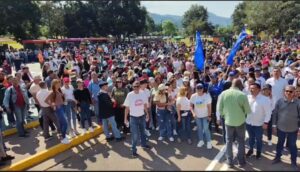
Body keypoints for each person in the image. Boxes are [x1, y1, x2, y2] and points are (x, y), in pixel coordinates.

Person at [217, 79, 251, 168]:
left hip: (228, 121)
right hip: (240, 121)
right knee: (241, 141)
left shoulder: (223, 93)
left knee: (228, 141)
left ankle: (230, 161)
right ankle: (241, 161)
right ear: (240, 85)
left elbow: (220, 109)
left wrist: (225, 116)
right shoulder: (242, 95)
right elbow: (247, 110)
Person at [272, 85, 300, 170]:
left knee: (292, 145)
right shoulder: (279, 101)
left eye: (290, 91)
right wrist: (274, 125)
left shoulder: (298, 103)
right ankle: (277, 158)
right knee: (280, 144)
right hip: (281, 128)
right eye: (287, 91)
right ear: (284, 91)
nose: (288, 93)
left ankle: (294, 162)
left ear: (294, 92)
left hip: (293, 129)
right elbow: (275, 114)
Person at [124, 81, 151, 157]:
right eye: (134, 87)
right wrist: (125, 119)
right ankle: (133, 151)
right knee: (135, 135)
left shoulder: (143, 93)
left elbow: (145, 104)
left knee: (143, 132)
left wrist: (147, 114)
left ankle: (144, 144)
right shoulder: (130, 95)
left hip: (142, 116)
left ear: (139, 87)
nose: (136, 88)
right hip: (133, 118)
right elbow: (126, 107)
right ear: (132, 87)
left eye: (137, 86)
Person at [245, 82, 272, 159]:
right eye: (250, 88)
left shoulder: (265, 99)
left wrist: (266, 122)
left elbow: (268, 113)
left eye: (253, 88)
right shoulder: (248, 97)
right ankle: (250, 150)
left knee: (259, 139)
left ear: (259, 90)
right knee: (250, 138)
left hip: (259, 124)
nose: (251, 90)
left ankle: (258, 152)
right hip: (249, 123)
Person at [45, 79, 69, 144]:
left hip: (62, 107)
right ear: (54, 84)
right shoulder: (52, 92)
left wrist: (62, 96)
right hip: (58, 109)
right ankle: (63, 137)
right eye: (58, 83)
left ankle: (62, 136)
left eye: (59, 83)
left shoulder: (58, 90)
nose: (59, 84)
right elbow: (46, 100)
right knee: (65, 123)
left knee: (61, 123)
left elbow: (58, 99)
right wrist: (52, 105)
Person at [190, 83, 212, 149]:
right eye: (197, 89)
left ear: (203, 89)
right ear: (196, 89)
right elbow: (191, 106)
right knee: (199, 128)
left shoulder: (207, 96)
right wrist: (193, 113)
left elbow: (209, 107)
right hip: (197, 116)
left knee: (205, 128)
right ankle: (201, 140)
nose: (199, 90)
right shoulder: (193, 96)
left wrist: (209, 115)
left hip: (205, 115)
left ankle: (208, 142)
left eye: (200, 89)